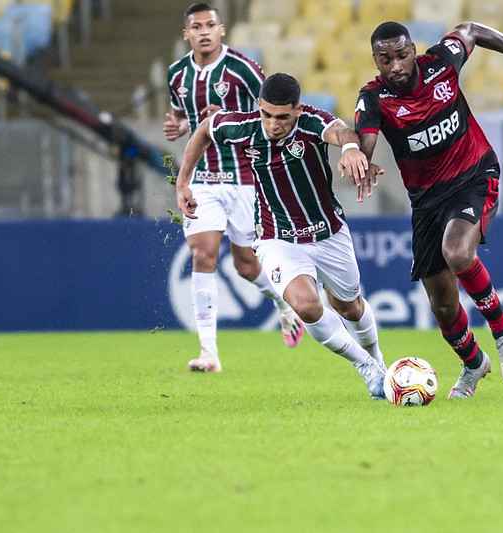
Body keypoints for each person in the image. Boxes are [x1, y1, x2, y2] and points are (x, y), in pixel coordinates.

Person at [352, 21, 503, 399]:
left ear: (413, 51)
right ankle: (474, 364)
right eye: (385, 59)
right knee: (442, 304)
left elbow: (470, 30)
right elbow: (366, 137)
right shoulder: (374, 98)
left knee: (457, 252)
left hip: (474, 174)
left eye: (402, 55)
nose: (395, 67)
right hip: (426, 202)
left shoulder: (442, 62)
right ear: (375, 60)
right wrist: (359, 155)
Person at [176, 73, 387, 398]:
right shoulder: (242, 126)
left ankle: (378, 360)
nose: (273, 124)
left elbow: (342, 130)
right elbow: (205, 129)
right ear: (259, 108)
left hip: (327, 233)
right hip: (277, 238)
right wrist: (183, 182)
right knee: (305, 306)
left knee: (351, 309)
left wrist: (349, 148)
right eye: (267, 115)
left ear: (298, 110)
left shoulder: (312, 123)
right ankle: (366, 367)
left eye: (282, 117)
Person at [164, 3, 303, 373]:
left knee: (245, 264)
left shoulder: (242, 69)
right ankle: (208, 351)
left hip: (244, 179)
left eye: (211, 25)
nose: (204, 31)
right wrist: (179, 125)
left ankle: (283, 304)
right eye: (197, 26)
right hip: (203, 180)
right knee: (203, 253)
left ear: (222, 30)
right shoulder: (177, 74)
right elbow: (181, 112)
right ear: (186, 34)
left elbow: (272, 110)